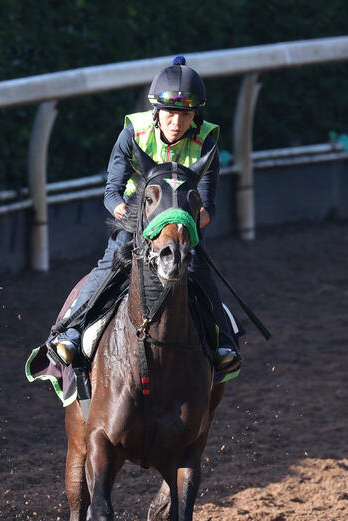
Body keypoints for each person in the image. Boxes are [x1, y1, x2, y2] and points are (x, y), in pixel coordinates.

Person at [50, 55, 241, 372]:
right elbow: (112, 192)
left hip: (182, 225)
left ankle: (223, 344)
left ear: (196, 114)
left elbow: (208, 208)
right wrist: (129, 214)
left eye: (185, 114)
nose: (176, 122)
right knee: (110, 266)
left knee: (200, 274)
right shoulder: (132, 133)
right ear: (157, 110)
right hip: (138, 221)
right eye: (169, 113)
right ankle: (70, 334)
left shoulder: (207, 142)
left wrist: (181, 223)